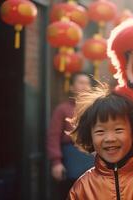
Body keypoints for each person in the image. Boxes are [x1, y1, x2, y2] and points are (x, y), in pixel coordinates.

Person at [67, 85, 133, 200]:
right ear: (90, 136)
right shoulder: (82, 187)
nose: (109, 138)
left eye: (118, 130)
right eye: (100, 131)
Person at [46, 72, 95, 200]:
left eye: (87, 83)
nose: (85, 86)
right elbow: (53, 136)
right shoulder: (62, 109)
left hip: (92, 156)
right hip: (71, 157)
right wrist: (56, 162)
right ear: (72, 87)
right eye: (81, 83)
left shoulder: (95, 109)